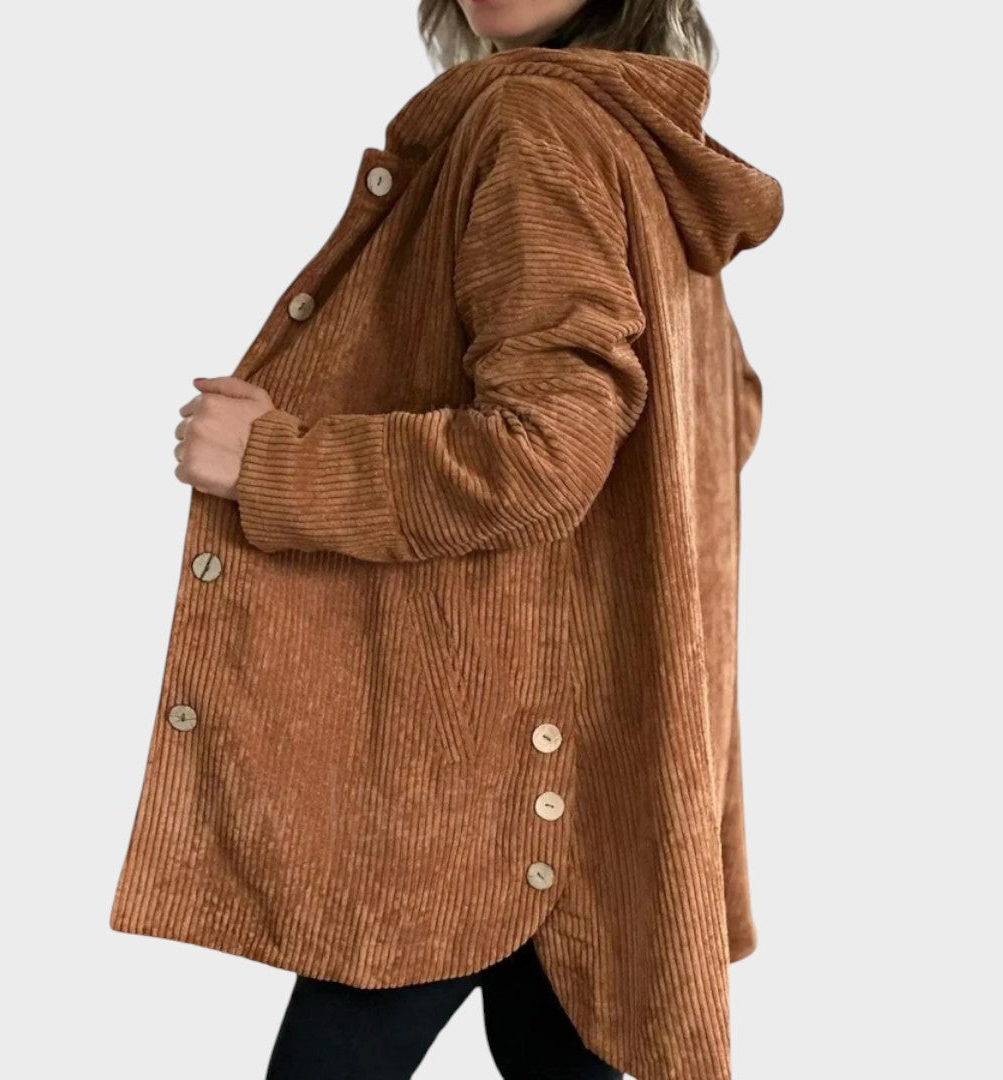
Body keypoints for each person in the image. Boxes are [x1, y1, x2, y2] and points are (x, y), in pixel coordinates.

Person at [108, 1, 784, 1077]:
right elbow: (725, 417)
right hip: (593, 747)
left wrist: (275, 461)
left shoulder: (537, 126)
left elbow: (549, 448)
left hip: (483, 761)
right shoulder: (648, 151)